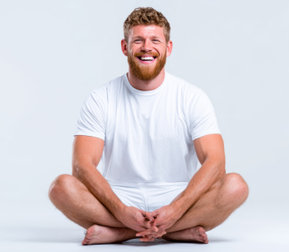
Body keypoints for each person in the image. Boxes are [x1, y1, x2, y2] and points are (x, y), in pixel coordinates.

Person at [48, 7, 248, 245]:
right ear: (124, 47)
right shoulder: (101, 98)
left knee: (236, 186)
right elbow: (81, 166)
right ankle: (171, 232)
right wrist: (121, 210)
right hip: (119, 197)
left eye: (155, 40)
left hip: (177, 196)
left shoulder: (192, 97)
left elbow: (216, 162)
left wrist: (176, 208)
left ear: (168, 48)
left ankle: (123, 233)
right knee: (60, 188)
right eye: (138, 40)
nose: (146, 47)